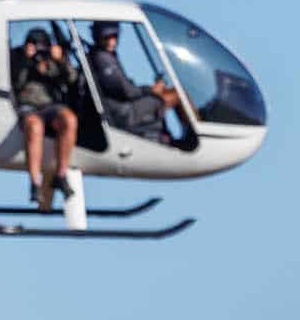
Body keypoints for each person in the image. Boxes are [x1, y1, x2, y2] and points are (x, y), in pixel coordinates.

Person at [86, 20, 200, 152]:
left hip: (123, 108)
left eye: (114, 36)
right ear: (97, 37)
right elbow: (126, 92)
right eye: (107, 37)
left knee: (167, 95)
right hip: (124, 114)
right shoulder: (102, 59)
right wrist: (151, 90)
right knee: (178, 96)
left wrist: (151, 91)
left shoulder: (104, 56)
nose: (112, 41)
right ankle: (195, 138)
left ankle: (167, 136)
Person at [11, 27, 82, 212]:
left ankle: (61, 175)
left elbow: (72, 79)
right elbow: (15, 82)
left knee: (69, 120)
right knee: (34, 126)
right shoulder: (17, 58)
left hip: (50, 107)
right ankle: (35, 182)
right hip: (27, 106)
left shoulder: (51, 59)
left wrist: (60, 60)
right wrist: (27, 61)